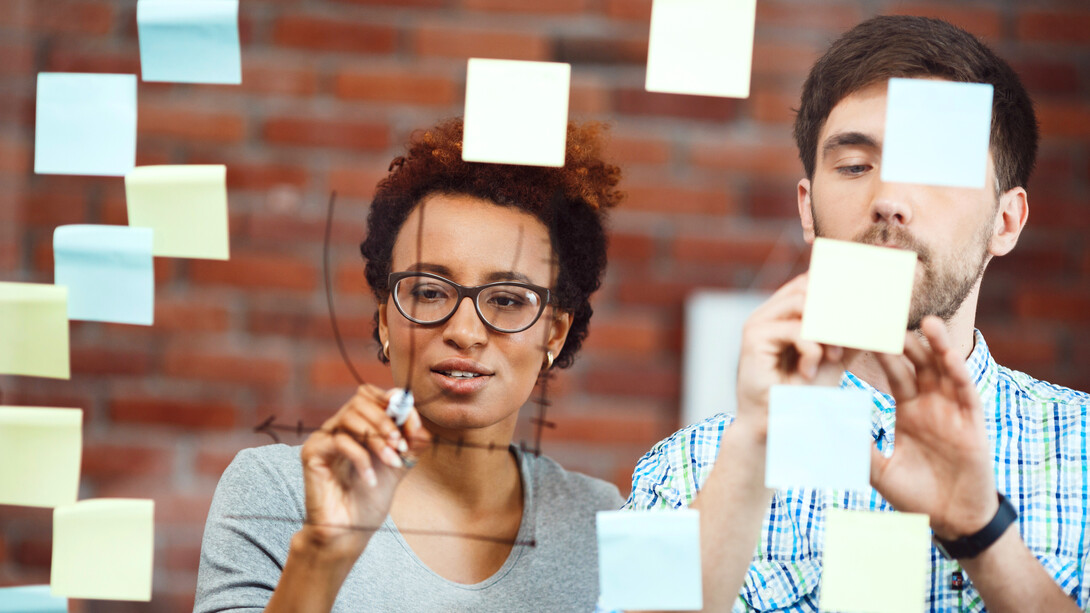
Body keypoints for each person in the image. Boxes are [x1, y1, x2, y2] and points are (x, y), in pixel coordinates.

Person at [622, 15, 1090, 612]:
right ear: (808, 209)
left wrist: (983, 534)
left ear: (1007, 221)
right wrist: (754, 448)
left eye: (933, 169)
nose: (889, 200)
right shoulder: (681, 467)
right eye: (853, 166)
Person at [194, 117, 626, 612]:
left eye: (507, 299)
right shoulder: (278, 495)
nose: (464, 331)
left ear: (555, 331)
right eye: (428, 291)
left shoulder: (603, 521)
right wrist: (322, 555)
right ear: (384, 319)